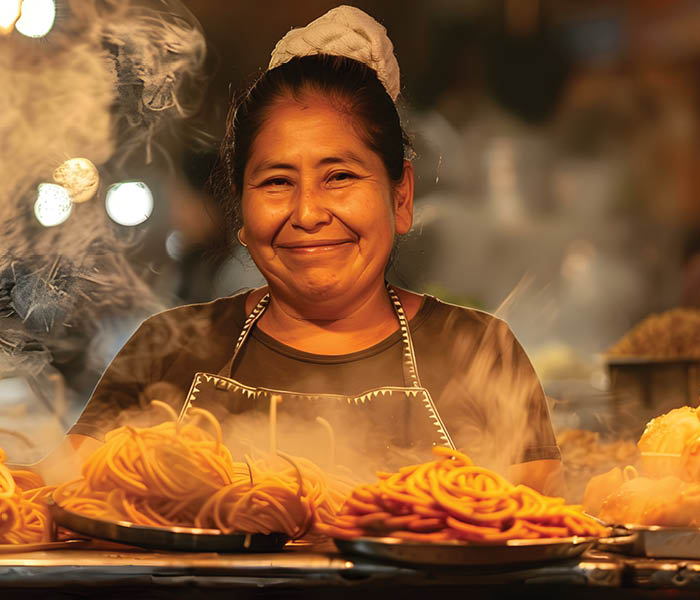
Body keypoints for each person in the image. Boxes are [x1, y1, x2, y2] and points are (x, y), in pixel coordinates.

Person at [60, 6, 562, 492]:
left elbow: (536, 525)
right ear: (240, 211)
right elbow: (57, 496)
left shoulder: (479, 352)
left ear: (400, 196)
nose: (307, 213)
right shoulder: (165, 349)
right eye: (277, 181)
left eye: (339, 176)